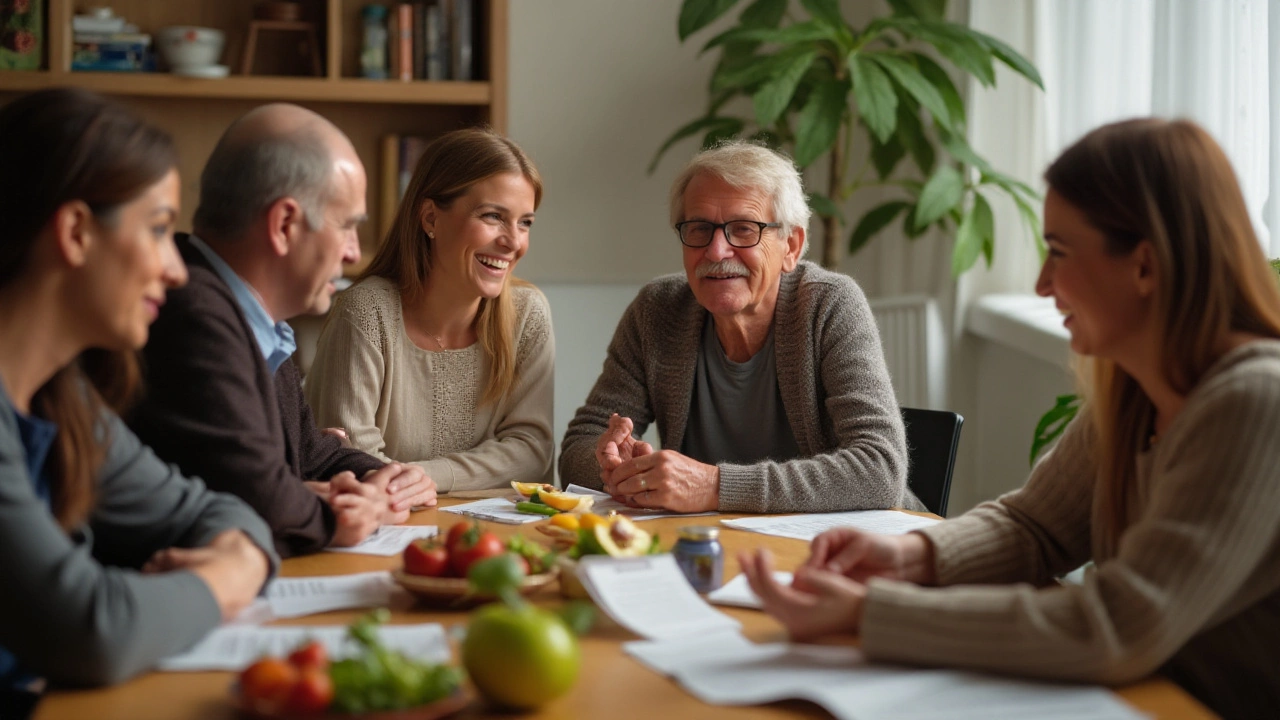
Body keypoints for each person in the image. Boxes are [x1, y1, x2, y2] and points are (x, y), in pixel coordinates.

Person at [741, 118, 1280, 720]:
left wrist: (870, 615)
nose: (1043, 283)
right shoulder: (1133, 389)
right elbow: (1035, 528)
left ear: (1145, 266)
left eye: (1060, 251)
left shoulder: (1254, 404)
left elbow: (1114, 629)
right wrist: (911, 558)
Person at [0, 88, 277, 697]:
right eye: (156, 229)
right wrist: (230, 575)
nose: (177, 269)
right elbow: (89, 630)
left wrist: (245, 554)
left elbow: (217, 512)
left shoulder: (63, 400)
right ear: (75, 232)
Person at [128, 103, 436, 559]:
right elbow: (257, 495)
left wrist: (387, 481)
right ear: (285, 224)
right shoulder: (192, 312)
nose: (353, 253)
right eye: (348, 226)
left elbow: (312, 453)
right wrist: (347, 515)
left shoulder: (260, 318)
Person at [559, 141, 914, 514]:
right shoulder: (658, 311)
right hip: (709, 544)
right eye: (699, 229)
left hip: (849, 548)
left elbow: (880, 469)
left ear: (791, 246)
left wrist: (715, 487)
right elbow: (579, 445)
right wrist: (617, 466)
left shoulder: (829, 306)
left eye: (744, 230)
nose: (715, 251)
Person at [304, 128, 554, 492]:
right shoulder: (366, 312)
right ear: (430, 219)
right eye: (492, 216)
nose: (513, 242)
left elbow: (532, 452)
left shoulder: (528, 314)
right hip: (380, 535)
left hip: (491, 537)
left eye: (525, 222)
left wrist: (426, 478)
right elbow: (350, 459)